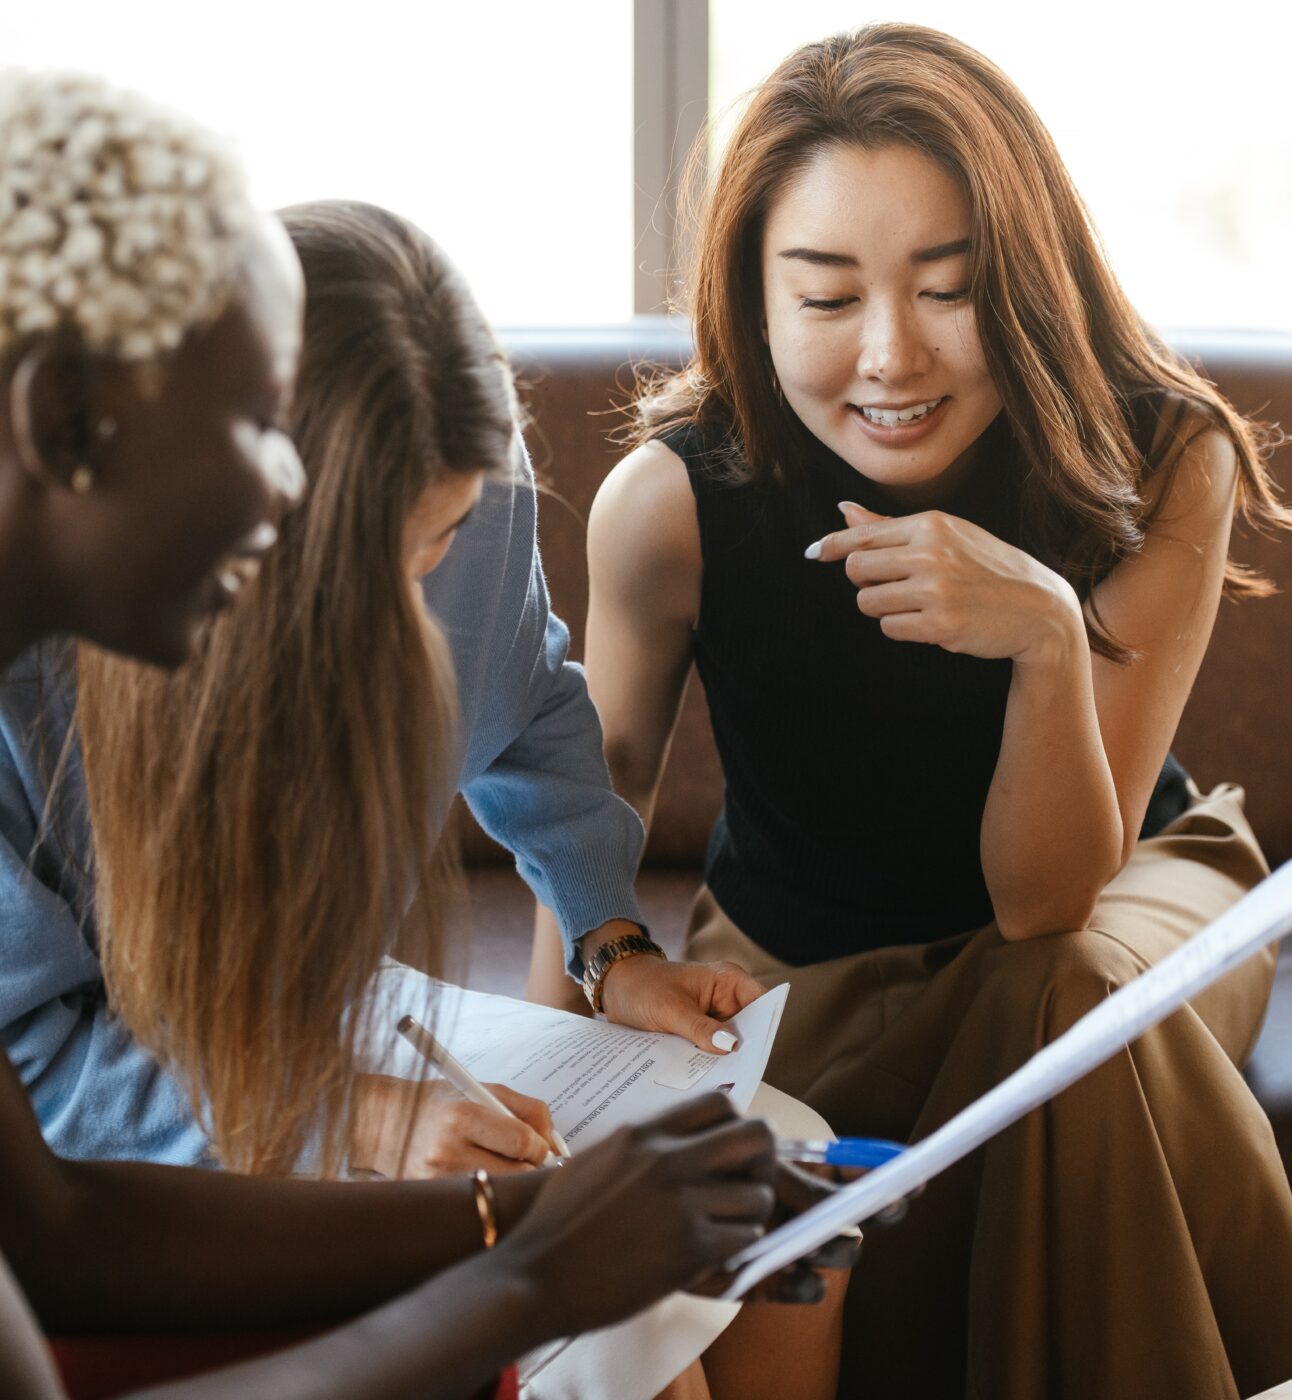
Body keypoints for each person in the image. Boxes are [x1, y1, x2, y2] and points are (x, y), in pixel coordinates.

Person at [0, 69, 834, 1400]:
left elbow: (531, 702)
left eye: (440, 543)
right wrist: (486, 1223)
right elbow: (53, 1212)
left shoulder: (471, 517)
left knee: (747, 1207)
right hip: (143, 1105)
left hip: (272, 1047)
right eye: (251, 446)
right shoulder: (57, 673)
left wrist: (608, 950)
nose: (412, 619)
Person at [525, 23, 1292, 1400]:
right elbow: (595, 791)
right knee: (1051, 1020)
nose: (891, 356)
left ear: (1033, 280)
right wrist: (541, 1088)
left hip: (1130, 901)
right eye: (826, 299)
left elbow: (1050, 902)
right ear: (752, 303)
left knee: (1057, 997)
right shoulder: (673, 504)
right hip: (804, 957)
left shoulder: (1162, 459)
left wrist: (1050, 639)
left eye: (952, 289)